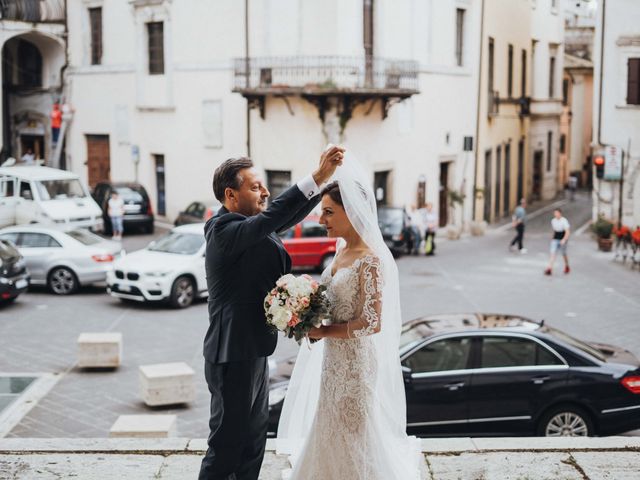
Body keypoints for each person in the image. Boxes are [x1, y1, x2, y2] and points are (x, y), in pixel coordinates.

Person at [199, 146, 344, 480]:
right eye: (255, 187)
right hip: (231, 353)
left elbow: (284, 217)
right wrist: (318, 176)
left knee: (253, 445)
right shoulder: (222, 231)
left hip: (254, 351)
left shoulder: (248, 226)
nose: (264, 192)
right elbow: (273, 216)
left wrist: (316, 189)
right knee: (226, 447)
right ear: (230, 195)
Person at [277, 155, 425, 479]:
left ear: (352, 211)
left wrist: (323, 332)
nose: (321, 219)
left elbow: (372, 322)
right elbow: (330, 299)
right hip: (333, 362)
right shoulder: (340, 251)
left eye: (329, 212)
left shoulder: (370, 260)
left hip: (356, 366)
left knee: (353, 434)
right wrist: (302, 307)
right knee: (329, 425)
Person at [545, 208, 571, 275]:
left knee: (563, 254)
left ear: (560, 213)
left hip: (562, 238)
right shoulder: (553, 221)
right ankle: (549, 268)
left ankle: (567, 265)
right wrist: (552, 237)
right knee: (553, 253)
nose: (556, 214)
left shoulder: (564, 221)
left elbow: (567, 232)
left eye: (557, 213)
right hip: (555, 238)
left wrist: (564, 239)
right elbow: (554, 230)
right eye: (555, 213)